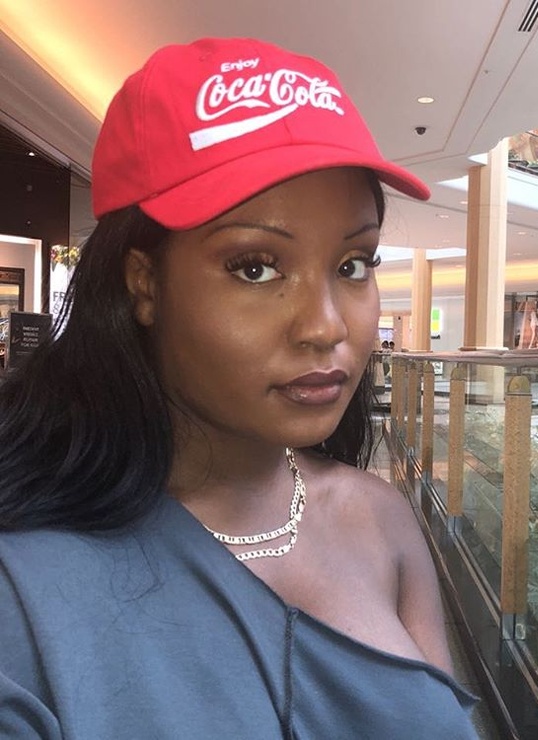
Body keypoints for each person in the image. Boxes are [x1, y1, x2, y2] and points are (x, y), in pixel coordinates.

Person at [0, 38, 477, 738]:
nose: (325, 326)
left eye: (353, 264)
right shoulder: (25, 590)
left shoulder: (381, 520)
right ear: (143, 284)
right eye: (256, 267)